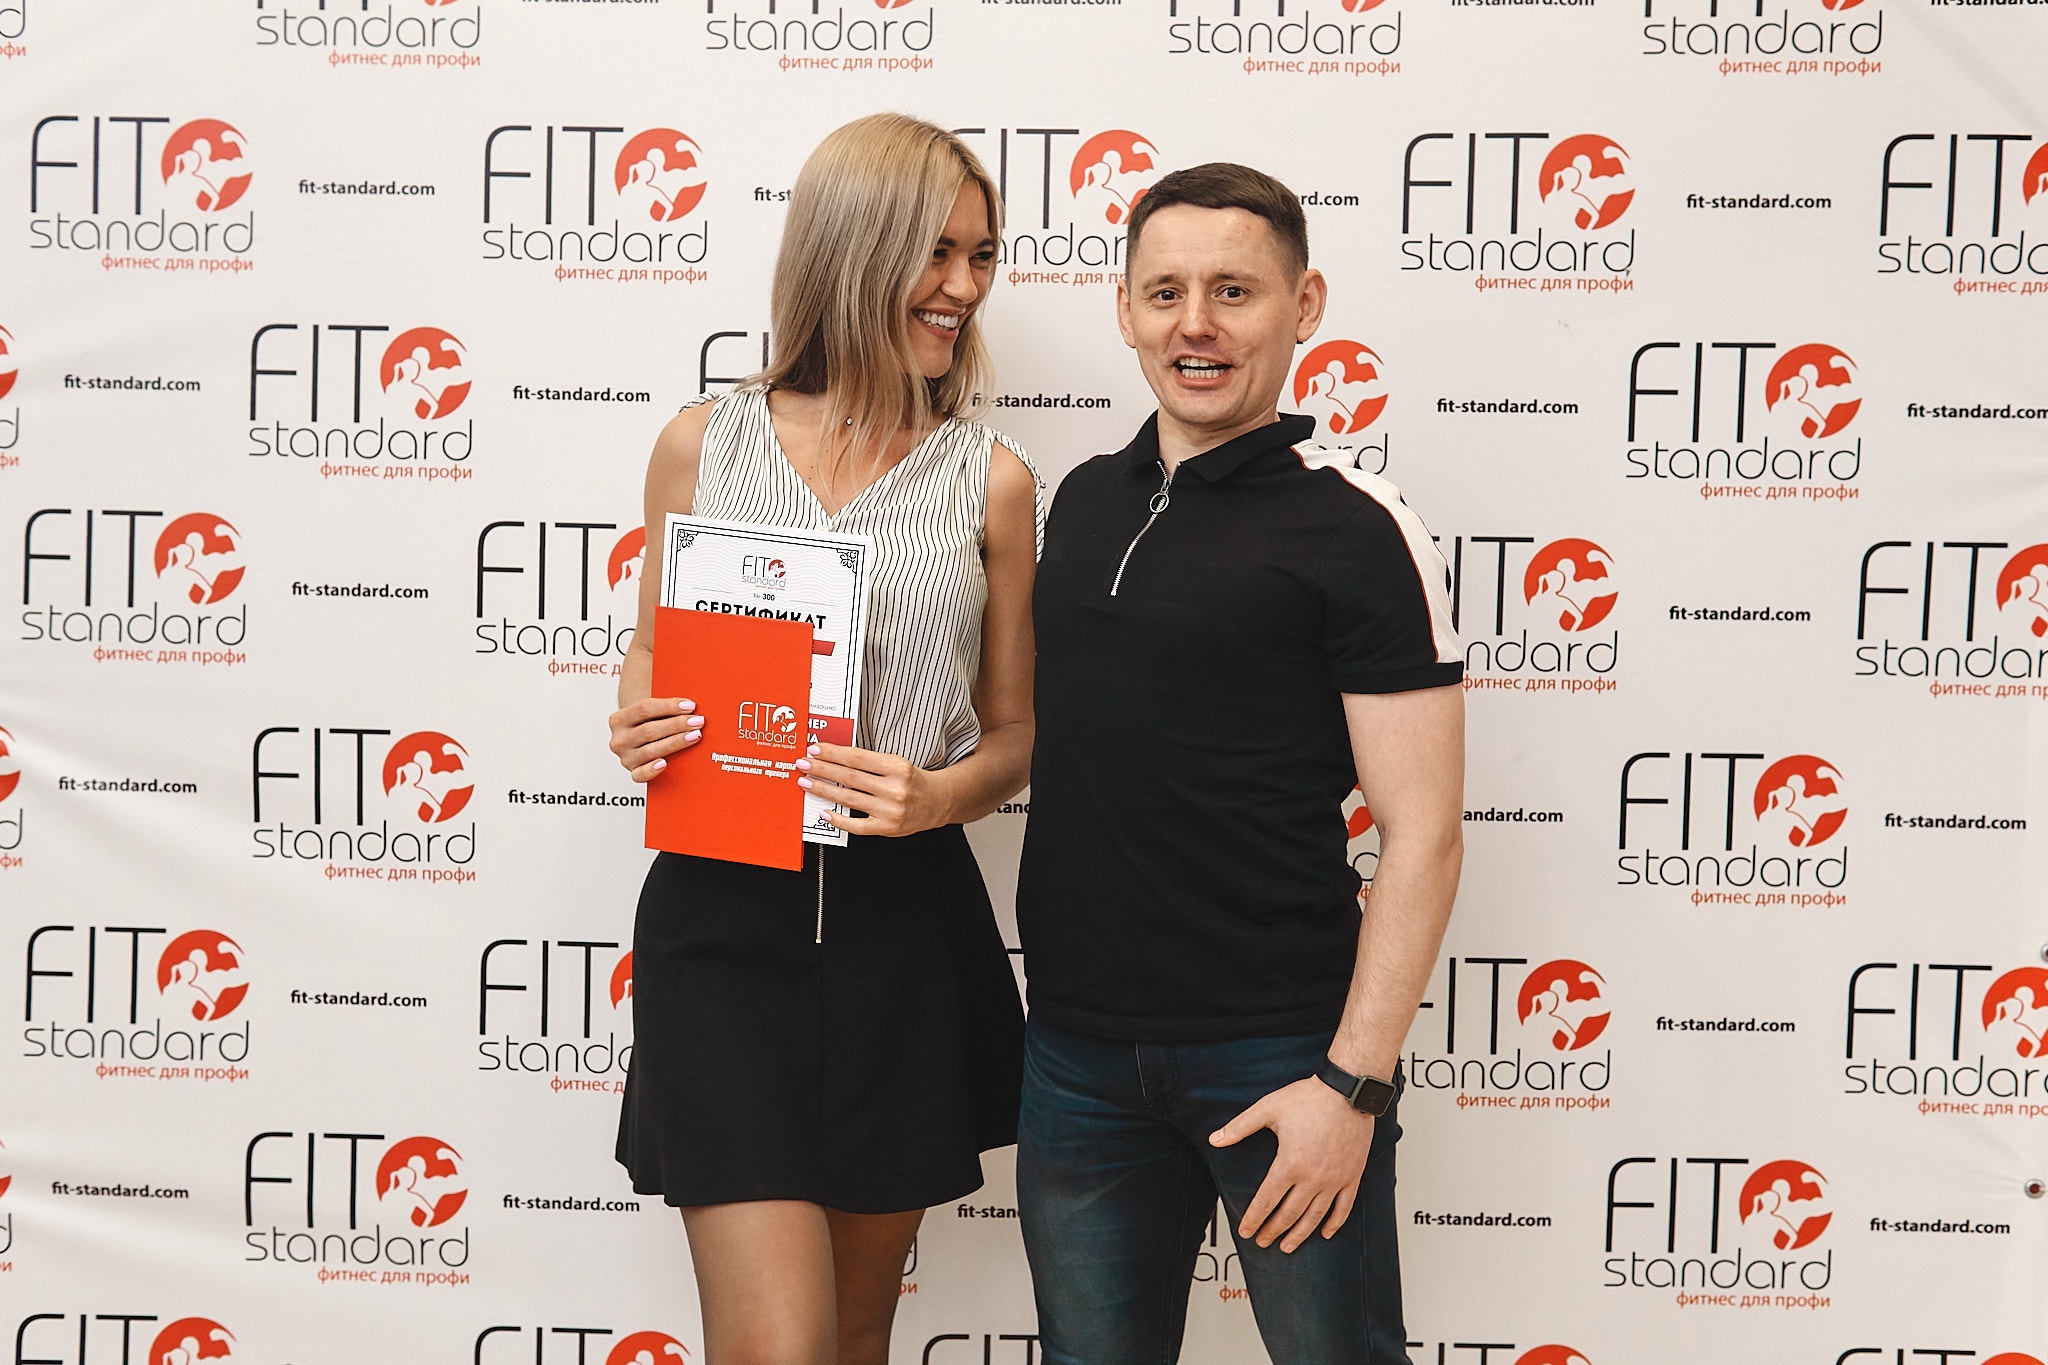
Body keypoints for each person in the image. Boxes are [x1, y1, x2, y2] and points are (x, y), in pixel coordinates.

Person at [605, 114, 1040, 1365]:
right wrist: (639, 717)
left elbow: (1017, 734)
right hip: (720, 920)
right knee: (775, 1347)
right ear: (852, 249)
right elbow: (652, 650)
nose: (964, 286)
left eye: (980, 255)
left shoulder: (990, 479)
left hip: (902, 932)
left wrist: (936, 797)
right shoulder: (703, 443)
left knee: (852, 1338)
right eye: (936, 252)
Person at [1016, 163, 1466, 1365]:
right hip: (1074, 1062)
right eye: (1164, 292)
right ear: (1124, 311)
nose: (1195, 325)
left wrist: (1349, 1089)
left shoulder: (1356, 531)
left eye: (1232, 290)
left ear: (1302, 305)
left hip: (1279, 1058)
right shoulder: (1082, 502)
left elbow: (1422, 835)